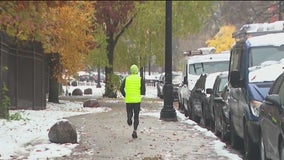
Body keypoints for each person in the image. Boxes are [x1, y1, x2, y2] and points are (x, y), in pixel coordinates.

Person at [120, 64, 146, 139]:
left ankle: (129, 117)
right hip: (137, 100)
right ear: (137, 71)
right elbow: (143, 91)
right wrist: (140, 94)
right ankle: (135, 130)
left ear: (130, 71)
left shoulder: (126, 78)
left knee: (129, 112)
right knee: (136, 115)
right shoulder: (140, 79)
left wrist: (125, 95)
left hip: (128, 100)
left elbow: (121, 88)